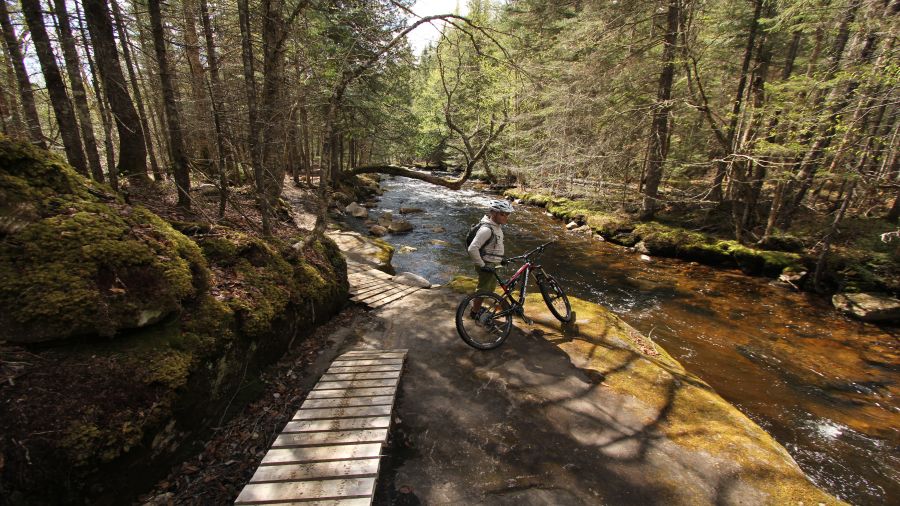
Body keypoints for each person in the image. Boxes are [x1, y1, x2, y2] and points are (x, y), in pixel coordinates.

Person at [467, 199, 514, 317]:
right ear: (493, 213)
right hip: (487, 264)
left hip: (492, 262)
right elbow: (472, 249)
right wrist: (483, 266)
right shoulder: (486, 230)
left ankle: (475, 306)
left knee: (489, 289)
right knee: (483, 290)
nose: (506, 217)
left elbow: (494, 246)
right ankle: (474, 312)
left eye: (507, 214)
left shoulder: (497, 226)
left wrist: (501, 258)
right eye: (503, 214)